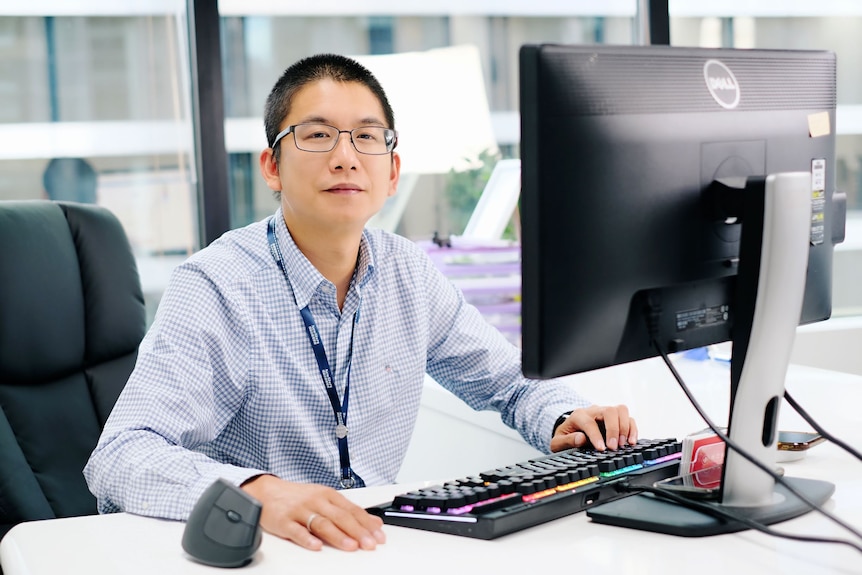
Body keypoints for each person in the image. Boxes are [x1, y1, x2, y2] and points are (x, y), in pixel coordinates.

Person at [84, 53, 638, 553]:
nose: (346, 158)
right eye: (318, 135)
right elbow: (121, 455)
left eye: (368, 137)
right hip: (257, 551)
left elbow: (508, 381)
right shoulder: (218, 286)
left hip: (365, 544)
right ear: (271, 166)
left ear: (392, 171)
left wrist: (564, 416)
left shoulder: (408, 273)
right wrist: (257, 493)